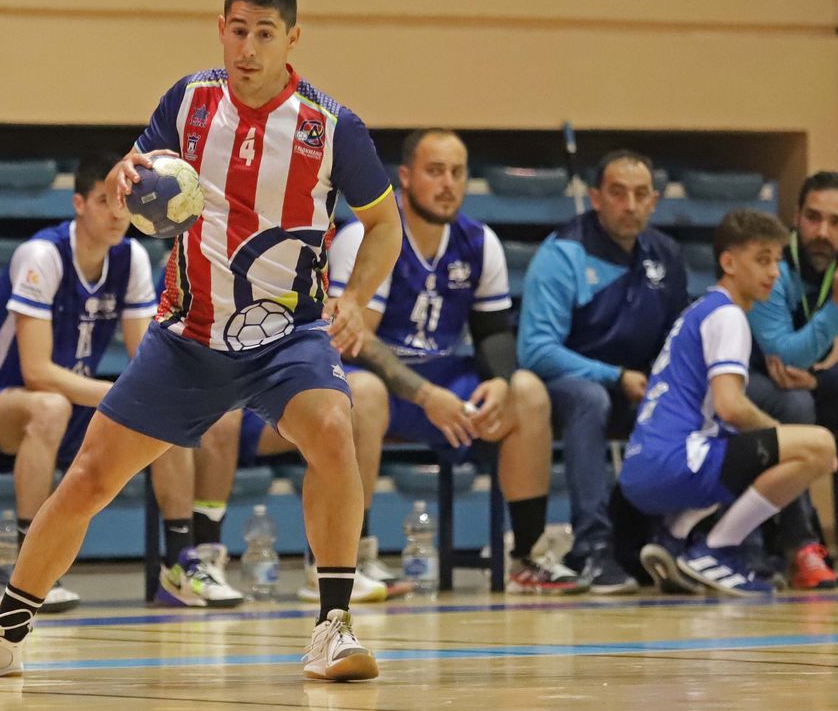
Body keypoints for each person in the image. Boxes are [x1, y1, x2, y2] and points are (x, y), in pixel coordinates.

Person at [0, 0, 402, 683]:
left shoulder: (333, 127)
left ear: (291, 40)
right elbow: (134, 168)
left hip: (287, 333)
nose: (248, 46)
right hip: (189, 333)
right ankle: (3, 634)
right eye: (238, 29)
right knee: (88, 477)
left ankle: (332, 626)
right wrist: (126, 176)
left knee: (334, 428)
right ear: (221, 28)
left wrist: (357, 297)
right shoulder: (188, 100)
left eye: (265, 33)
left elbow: (384, 224)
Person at [0, 153, 241, 612]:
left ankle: (180, 563)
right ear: (78, 204)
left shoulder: (131, 259)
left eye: (123, 203)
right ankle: (24, 565)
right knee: (48, 406)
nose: (116, 213)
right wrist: (120, 395)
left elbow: (145, 359)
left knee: (167, 408)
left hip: (69, 402)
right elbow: (36, 371)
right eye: (105, 201)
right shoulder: (42, 255)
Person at [337, 129, 583, 594]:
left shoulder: (478, 242)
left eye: (457, 172)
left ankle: (528, 555)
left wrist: (503, 383)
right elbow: (355, 341)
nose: (448, 184)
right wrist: (426, 395)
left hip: (444, 377)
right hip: (375, 378)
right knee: (362, 395)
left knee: (527, 391)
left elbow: (493, 334)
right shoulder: (365, 237)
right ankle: (354, 558)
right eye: (435, 171)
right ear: (405, 178)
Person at [621, 209, 838, 597]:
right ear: (728, 262)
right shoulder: (729, 316)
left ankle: (675, 537)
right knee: (818, 446)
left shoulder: (700, 309)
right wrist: (787, 436)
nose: (773, 272)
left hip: (644, 467)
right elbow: (731, 406)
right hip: (675, 460)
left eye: (777, 261)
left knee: (744, 446)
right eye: (762, 260)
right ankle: (715, 551)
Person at [518, 150, 688, 594]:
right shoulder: (563, 255)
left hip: (636, 386)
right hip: (565, 389)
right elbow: (535, 350)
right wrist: (612, 375)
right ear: (595, 198)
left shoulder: (667, 256)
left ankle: (670, 542)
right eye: (617, 193)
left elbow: (676, 341)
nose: (629, 205)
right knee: (589, 399)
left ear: (653, 201)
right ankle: (592, 548)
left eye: (640, 195)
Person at [746, 172, 838, 586]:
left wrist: (819, 382)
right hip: (754, 385)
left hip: (808, 385)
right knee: (796, 406)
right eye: (813, 218)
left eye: (836, 222)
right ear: (796, 217)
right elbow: (782, 354)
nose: (822, 232)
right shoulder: (771, 261)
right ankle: (800, 546)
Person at [194, 407, 403, 603]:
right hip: (233, 395)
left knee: (340, 414)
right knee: (219, 416)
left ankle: (331, 566)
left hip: (277, 390)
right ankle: (202, 557)